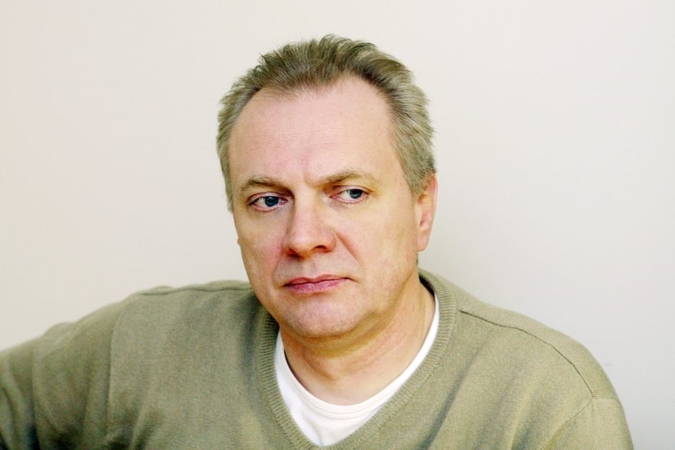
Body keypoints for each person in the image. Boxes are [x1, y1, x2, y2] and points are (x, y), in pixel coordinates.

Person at [0, 35, 632, 449]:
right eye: (268, 200)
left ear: (422, 208)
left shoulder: (549, 407)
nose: (304, 238)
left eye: (348, 192)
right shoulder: (143, 348)